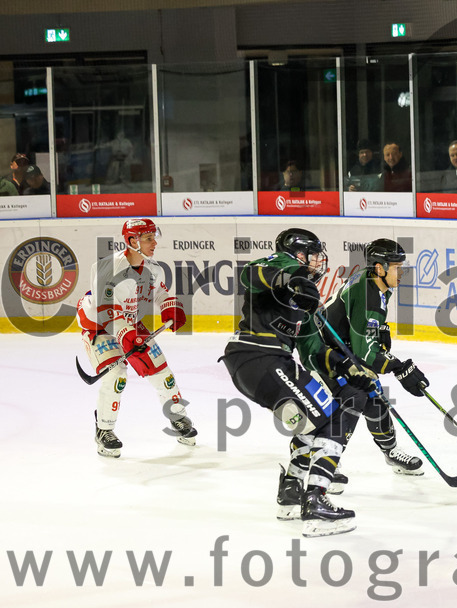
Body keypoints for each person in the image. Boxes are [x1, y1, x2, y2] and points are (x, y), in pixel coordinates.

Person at [220, 228, 374, 537]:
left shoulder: (306, 303)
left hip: (272, 365)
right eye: (313, 254)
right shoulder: (280, 266)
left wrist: (347, 365)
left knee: (340, 404)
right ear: (299, 253)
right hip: (258, 358)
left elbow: (314, 353)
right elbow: (251, 274)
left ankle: (291, 490)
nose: (319, 260)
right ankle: (315, 500)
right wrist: (293, 279)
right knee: (332, 420)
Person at [306, 238, 429, 475]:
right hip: (322, 353)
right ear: (379, 268)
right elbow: (365, 352)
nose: (401, 272)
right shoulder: (368, 295)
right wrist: (397, 366)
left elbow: (362, 332)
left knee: (376, 400)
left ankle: (391, 452)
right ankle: (323, 459)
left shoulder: (376, 283)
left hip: (343, 348)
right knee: (343, 404)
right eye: (396, 267)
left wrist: (378, 333)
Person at [75, 218, 195, 458]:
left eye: (154, 237)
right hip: (100, 326)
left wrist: (170, 306)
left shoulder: (153, 267)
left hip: (129, 324)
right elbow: (105, 309)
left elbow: (159, 291)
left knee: (160, 369)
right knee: (116, 374)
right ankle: (104, 430)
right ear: (132, 241)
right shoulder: (107, 267)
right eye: (148, 238)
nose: (154, 243)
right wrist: (126, 334)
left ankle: (176, 415)